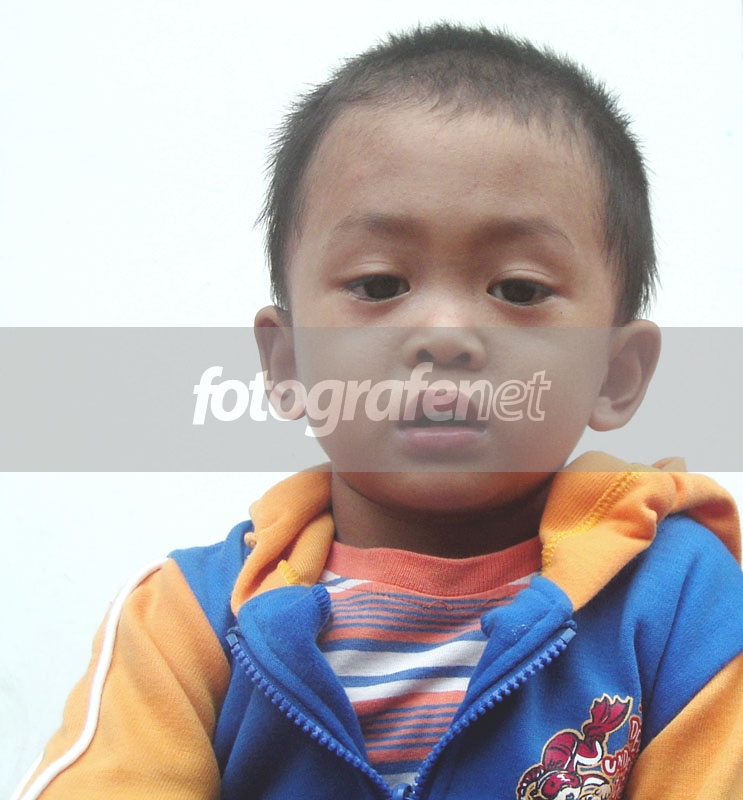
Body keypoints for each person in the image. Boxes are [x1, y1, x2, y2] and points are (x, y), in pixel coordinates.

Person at [14, 23, 743, 800]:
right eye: (378, 284)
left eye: (519, 289)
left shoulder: (687, 608)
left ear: (615, 373)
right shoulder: (183, 622)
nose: (444, 334)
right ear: (287, 363)